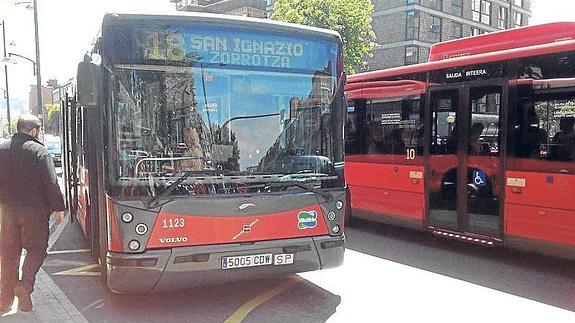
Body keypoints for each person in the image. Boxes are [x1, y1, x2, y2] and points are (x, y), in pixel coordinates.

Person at [0, 114, 65, 313]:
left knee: (9, 255)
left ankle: (5, 300)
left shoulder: (1, 149)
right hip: (35, 213)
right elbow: (52, 183)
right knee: (37, 250)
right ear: (34, 131)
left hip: (7, 211)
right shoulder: (39, 151)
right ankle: (25, 285)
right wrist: (59, 208)